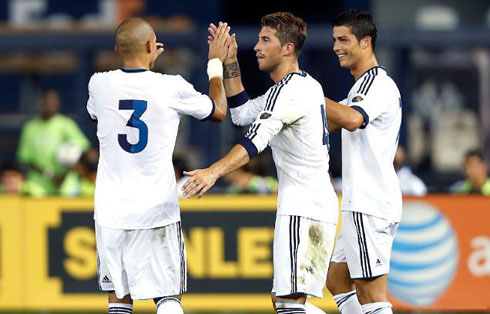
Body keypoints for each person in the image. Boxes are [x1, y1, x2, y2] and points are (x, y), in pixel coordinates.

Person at [183, 12, 339, 314]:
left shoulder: (289, 92)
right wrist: (229, 61)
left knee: (288, 303)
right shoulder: (295, 88)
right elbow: (241, 114)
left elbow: (254, 141)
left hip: (304, 208)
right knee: (287, 301)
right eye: (258, 39)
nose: (256, 46)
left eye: (266, 40)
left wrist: (212, 172)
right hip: (313, 205)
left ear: (288, 48)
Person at [86, 18, 230, 314]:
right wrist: (215, 63)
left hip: (111, 211)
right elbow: (218, 111)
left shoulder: (98, 84)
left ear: (116, 49)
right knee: (167, 298)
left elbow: (98, 114)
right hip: (156, 210)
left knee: (118, 301)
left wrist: (145, 56)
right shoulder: (171, 86)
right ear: (153, 46)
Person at [323, 9, 402, 314]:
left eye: (343, 39)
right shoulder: (359, 88)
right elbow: (331, 120)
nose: (335, 47)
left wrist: (307, 90)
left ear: (366, 42)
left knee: (372, 295)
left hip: (369, 202)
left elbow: (353, 119)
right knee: (338, 280)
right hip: (363, 202)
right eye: (334, 40)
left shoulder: (376, 84)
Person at [16, 89, 91, 196]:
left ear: (58, 104)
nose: (50, 105)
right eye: (46, 102)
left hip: (66, 181)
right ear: (41, 103)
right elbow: (24, 159)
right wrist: (49, 175)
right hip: (39, 184)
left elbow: (84, 149)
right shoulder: (30, 128)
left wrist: (64, 174)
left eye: (53, 102)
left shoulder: (66, 124)